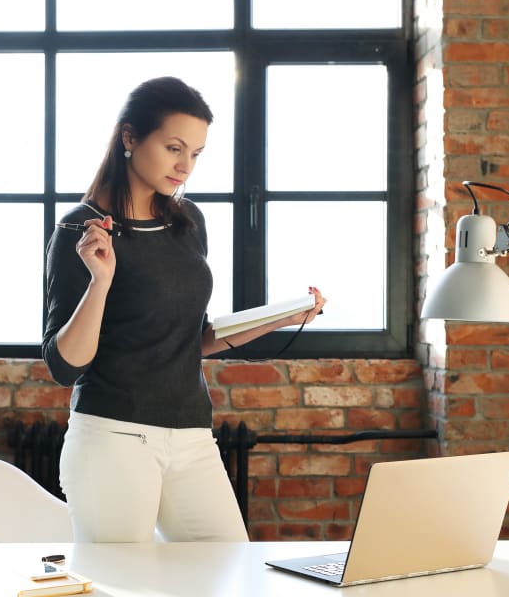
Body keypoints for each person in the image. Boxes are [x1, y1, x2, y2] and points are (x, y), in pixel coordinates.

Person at [42, 76, 326, 543]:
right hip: (113, 437)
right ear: (130, 137)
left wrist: (283, 317)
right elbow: (65, 365)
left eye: (195, 153)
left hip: (192, 435)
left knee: (229, 570)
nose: (185, 165)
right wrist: (101, 282)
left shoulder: (187, 222)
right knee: (126, 590)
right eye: (175, 148)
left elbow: (194, 340)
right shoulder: (80, 230)